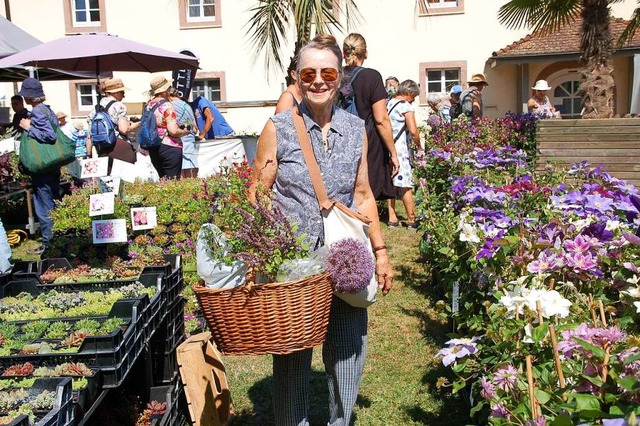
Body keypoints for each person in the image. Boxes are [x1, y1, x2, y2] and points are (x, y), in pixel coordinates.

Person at [250, 35, 392, 425]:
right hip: (295, 264)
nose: (317, 81)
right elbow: (257, 193)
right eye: (307, 73)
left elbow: (363, 195)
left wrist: (380, 251)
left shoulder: (355, 128)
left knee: (347, 351)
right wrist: (269, 244)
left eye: (327, 72)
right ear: (296, 78)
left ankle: (339, 421)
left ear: (340, 77)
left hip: (345, 257)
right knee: (293, 357)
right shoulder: (277, 128)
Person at [342, 33, 399, 201]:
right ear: (365, 53)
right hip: (367, 142)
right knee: (366, 196)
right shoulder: (372, 77)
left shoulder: (335, 76)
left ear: (344, 53)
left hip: (340, 140)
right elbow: (381, 119)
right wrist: (393, 154)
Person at [16, 78, 60, 255]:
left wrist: (28, 128)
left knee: (44, 205)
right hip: (51, 164)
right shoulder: (47, 110)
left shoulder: (38, 112)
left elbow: (49, 136)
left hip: (44, 166)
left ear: (29, 97)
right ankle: (54, 241)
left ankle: (50, 244)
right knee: (50, 202)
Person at [387, 80, 420, 229]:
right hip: (400, 149)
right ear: (408, 93)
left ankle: (392, 217)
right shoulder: (406, 107)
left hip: (387, 148)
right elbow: (413, 131)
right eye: (414, 96)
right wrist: (419, 146)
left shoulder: (388, 104)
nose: (414, 100)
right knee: (406, 184)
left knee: (391, 184)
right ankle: (412, 219)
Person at [145, 76, 190, 179]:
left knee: (163, 180)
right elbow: (173, 131)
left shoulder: (148, 106)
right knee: (172, 183)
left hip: (153, 146)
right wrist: (185, 131)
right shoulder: (166, 105)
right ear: (165, 91)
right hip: (169, 146)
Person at [88, 77, 139, 165]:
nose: (124, 95)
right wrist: (137, 124)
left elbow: (89, 136)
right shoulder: (119, 106)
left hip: (101, 149)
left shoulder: (95, 109)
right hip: (119, 147)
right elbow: (124, 129)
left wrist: (88, 155)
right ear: (116, 93)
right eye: (122, 92)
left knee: (107, 177)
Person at [168, 87, 200, 178]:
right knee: (192, 163)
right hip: (190, 137)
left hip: (179, 138)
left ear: (169, 96)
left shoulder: (170, 105)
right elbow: (195, 128)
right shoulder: (187, 105)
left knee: (181, 167)